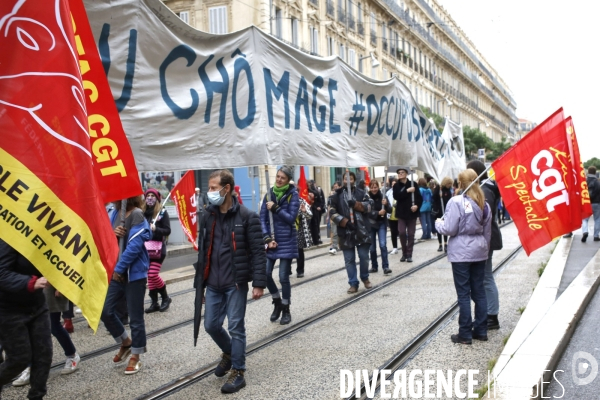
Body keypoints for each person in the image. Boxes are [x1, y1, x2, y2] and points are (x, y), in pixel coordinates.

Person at [198, 169, 266, 393]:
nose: (210, 192)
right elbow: (204, 252)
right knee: (210, 326)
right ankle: (229, 352)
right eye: (209, 188)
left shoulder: (247, 216)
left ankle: (238, 370)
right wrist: (201, 282)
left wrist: (259, 282)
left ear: (226, 189)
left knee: (236, 326)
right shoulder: (208, 216)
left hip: (235, 283)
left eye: (214, 188)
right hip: (213, 284)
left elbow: (258, 252)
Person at [436, 169, 492, 345]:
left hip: (461, 253)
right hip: (479, 251)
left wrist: (438, 224)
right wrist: (483, 249)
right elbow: (487, 232)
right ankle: (481, 330)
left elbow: (450, 229)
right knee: (479, 291)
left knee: (463, 293)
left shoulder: (456, 202)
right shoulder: (484, 203)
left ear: (460, 183)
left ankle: (465, 333)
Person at [101, 195, 151, 375]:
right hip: (116, 272)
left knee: (136, 318)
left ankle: (136, 355)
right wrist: (111, 234)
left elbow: (135, 246)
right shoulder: (114, 213)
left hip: (133, 274)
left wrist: (119, 269)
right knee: (106, 311)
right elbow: (104, 238)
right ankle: (125, 342)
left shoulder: (136, 214)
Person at [0, 238, 52, 399]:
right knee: (19, 359)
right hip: (8, 309)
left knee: (44, 356)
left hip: (36, 305)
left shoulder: (43, 234)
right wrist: (29, 283)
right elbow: (1, 272)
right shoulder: (8, 235)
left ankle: (37, 396)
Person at [260, 166, 299, 325]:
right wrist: (267, 238)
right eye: (277, 176)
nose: (279, 180)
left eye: (282, 177)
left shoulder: (293, 195)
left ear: (288, 179)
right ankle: (276, 301)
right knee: (265, 273)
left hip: (287, 240)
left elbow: (291, 218)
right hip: (272, 241)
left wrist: (276, 208)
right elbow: (262, 218)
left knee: (283, 276)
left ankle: (286, 307)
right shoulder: (269, 194)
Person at [467, 160, 504, 330]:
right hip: (486, 238)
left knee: (486, 277)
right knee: (484, 277)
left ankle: (492, 316)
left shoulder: (485, 190)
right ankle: (489, 314)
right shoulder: (484, 188)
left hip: (486, 239)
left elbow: (483, 217)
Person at [329, 171, 374, 293]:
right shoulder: (336, 196)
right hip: (346, 232)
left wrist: (356, 204)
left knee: (364, 257)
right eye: (345, 179)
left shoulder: (362, 193)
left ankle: (365, 277)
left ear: (354, 180)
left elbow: (370, 206)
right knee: (349, 259)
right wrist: (344, 221)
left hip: (361, 230)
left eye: (351, 178)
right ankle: (353, 283)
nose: (348, 181)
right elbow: (331, 212)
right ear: (343, 180)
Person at [142, 188, 172, 313]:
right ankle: (154, 303)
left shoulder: (162, 213)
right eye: (148, 195)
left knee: (152, 274)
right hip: (145, 249)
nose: (150, 198)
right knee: (150, 277)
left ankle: (165, 298)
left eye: (152, 196)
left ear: (157, 199)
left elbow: (167, 230)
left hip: (158, 249)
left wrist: (156, 229)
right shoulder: (142, 213)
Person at [44, 284, 80, 375]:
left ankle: (72, 355)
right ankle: (32, 365)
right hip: (32, 289)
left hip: (50, 289)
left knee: (54, 326)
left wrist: (60, 286)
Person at [393, 167, 423, 263]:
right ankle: (404, 252)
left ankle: (409, 254)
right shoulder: (396, 185)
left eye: (402, 172)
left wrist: (417, 206)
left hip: (411, 213)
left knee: (411, 234)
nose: (400, 174)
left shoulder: (413, 184)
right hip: (401, 213)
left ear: (406, 174)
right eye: (399, 173)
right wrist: (407, 191)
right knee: (401, 232)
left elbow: (419, 198)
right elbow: (396, 196)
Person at [367, 180, 392, 274]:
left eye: (375, 187)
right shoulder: (367, 198)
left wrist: (386, 205)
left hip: (381, 223)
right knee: (372, 247)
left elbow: (390, 210)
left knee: (382, 244)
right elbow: (366, 212)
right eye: (372, 187)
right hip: (371, 224)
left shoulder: (383, 196)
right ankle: (374, 266)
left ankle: (385, 266)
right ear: (369, 188)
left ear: (378, 187)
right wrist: (378, 213)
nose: (374, 189)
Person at [432, 177, 453, 252]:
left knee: (445, 228)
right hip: (438, 211)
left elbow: (449, 199)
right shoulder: (439, 188)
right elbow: (433, 197)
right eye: (448, 183)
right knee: (439, 228)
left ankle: (445, 243)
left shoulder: (448, 190)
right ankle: (440, 244)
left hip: (445, 211)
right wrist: (439, 195)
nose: (449, 185)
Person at [296, 196, 313, 278]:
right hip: (287, 230)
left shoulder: (301, 201)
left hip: (299, 230)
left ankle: (300, 270)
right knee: (287, 250)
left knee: (299, 250)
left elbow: (310, 215)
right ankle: (287, 269)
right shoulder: (283, 200)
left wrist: (304, 211)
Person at [582, 166, 600, 242]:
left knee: (584, 219)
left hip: (586, 203)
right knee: (597, 219)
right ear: (595, 172)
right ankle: (596, 236)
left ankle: (585, 231)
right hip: (596, 203)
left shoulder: (584, 181)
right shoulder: (598, 182)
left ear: (588, 172)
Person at [308, 180, 325, 245]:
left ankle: (316, 239)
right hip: (312, 209)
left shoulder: (316, 190)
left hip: (315, 211)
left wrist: (320, 206)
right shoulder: (307, 191)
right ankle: (313, 239)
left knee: (316, 224)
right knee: (312, 225)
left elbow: (321, 200)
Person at [386, 177, 400, 254]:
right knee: (393, 232)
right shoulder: (388, 192)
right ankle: (395, 247)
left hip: (399, 215)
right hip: (391, 215)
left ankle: (404, 245)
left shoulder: (400, 191)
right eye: (393, 183)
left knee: (401, 231)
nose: (394, 185)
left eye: (395, 183)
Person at [328, 182, 341, 255]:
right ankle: (334, 247)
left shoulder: (342, 195)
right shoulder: (332, 196)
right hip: (334, 217)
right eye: (334, 187)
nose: (335, 188)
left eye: (336, 187)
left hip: (342, 216)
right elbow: (330, 206)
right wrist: (329, 216)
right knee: (334, 232)